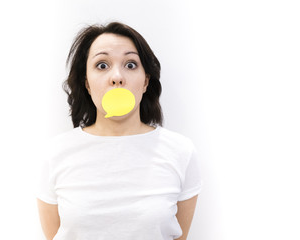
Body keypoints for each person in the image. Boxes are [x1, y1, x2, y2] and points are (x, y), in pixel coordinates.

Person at [36, 22, 203, 240]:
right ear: (87, 84)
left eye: (130, 65)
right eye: (102, 65)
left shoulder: (180, 151)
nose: (117, 77)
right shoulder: (55, 153)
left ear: (145, 82)